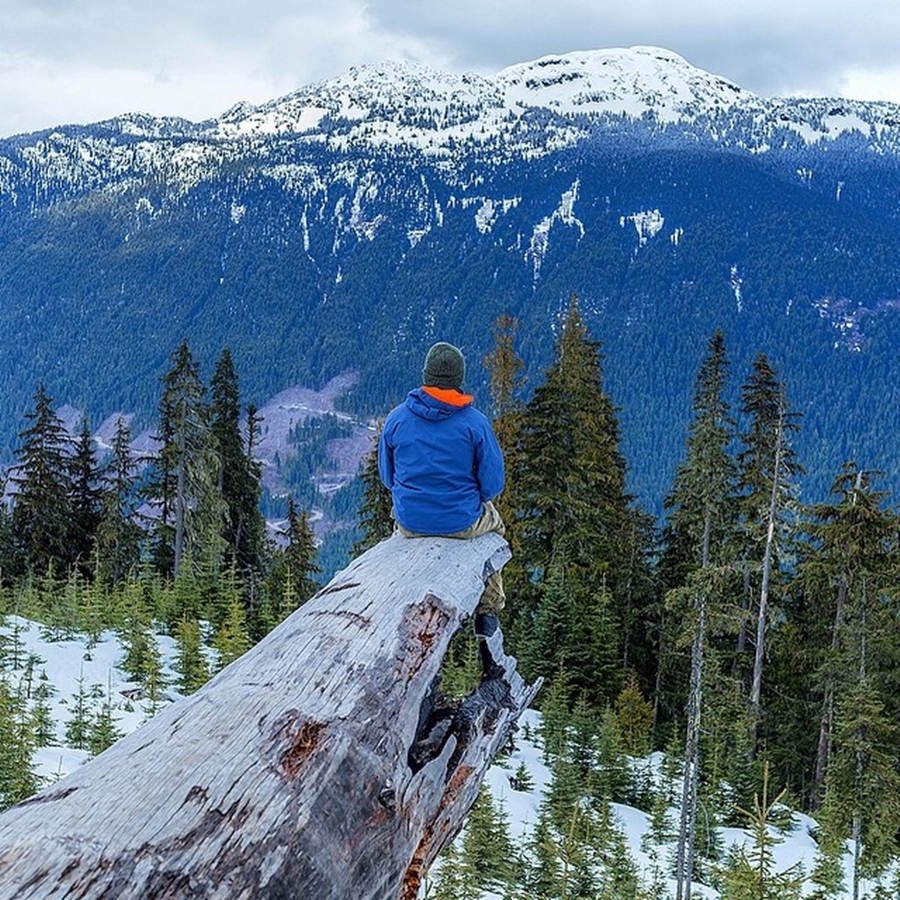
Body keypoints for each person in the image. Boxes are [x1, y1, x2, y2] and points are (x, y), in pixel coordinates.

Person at [378, 341, 507, 664]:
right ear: (458, 378)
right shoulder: (475, 423)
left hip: (410, 523)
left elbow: (386, 477)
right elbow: (492, 486)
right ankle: (488, 613)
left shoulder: (396, 419)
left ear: (426, 375)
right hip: (461, 522)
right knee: (496, 530)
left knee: (399, 520)